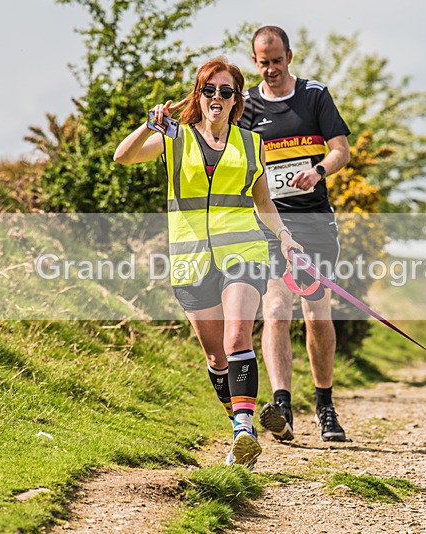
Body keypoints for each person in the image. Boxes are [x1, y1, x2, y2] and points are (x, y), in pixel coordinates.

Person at [113, 57, 301, 468]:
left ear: (238, 99)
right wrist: (150, 123)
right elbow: (122, 157)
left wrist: (285, 238)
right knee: (216, 358)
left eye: (226, 91)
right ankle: (243, 422)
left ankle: (243, 431)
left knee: (237, 340)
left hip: (244, 252)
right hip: (191, 257)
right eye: (209, 90)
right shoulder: (173, 136)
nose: (217, 97)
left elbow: (263, 201)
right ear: (199, 95)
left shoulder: (253, 143)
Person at [238, 26, 351, 442]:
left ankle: (325, 405)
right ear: (255, 61)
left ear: (290, 55)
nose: (270, 69)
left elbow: (341, 148)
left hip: (314, 221)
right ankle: (282, 406)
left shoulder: (314, 95)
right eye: (263, 62)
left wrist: (319, 169)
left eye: (277, 60)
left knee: (316, 312)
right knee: (275, 310)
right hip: (268, 224)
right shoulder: (246, 105)